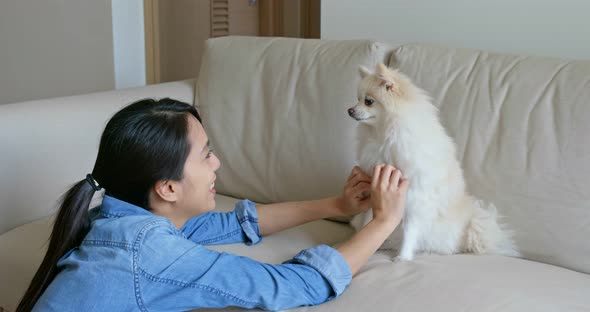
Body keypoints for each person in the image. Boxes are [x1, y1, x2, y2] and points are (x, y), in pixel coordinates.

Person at [17, 98, 408, 311]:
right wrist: (384, 222)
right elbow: (292, 286)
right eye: (207, 155)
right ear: (168, 188)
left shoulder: (117, 218)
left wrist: (335, 205)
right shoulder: (152, 252)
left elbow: (232, 225)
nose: (217, 163)